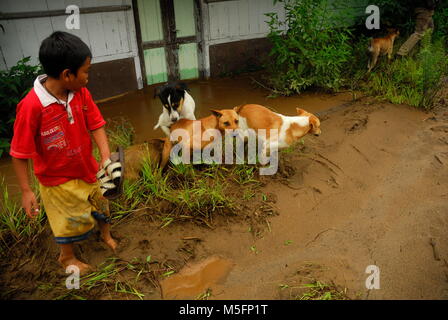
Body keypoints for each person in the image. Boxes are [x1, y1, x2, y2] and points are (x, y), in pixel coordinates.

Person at [10, 31, 122, 274]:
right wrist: (27, 190)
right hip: (56, 181)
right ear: (67, 74)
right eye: (85, 71)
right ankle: (67, 257)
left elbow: (96, 125)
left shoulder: (80, 93)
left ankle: (106, 235)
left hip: (88, 168)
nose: (88, 78)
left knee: (102, 204)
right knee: (66, 222)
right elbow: (19, 154)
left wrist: (104, 157)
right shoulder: (31, 107)